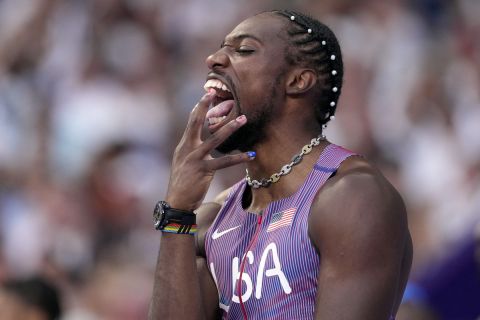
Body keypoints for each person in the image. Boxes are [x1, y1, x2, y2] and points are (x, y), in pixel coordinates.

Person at [149, 9, 412, 320]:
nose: (214, 59)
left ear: (297, 81)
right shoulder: (210, 221)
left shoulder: (353, 198)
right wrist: (177, 213)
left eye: (244, 50)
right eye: (221, 47)